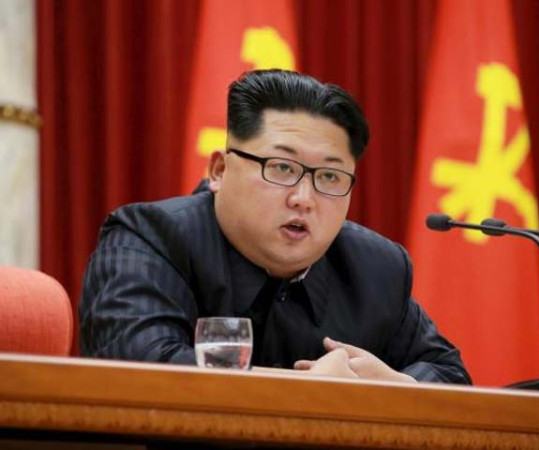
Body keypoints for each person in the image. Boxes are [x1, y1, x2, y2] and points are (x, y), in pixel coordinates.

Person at [79, 69, 470, 384]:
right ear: (219, 170)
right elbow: (143, 371)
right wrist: (313, 392)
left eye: (330, 177)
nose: (304, 198)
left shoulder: (375, 268)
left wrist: (399, 387)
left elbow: (450, 376)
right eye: (282, 168)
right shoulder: (149, 239)